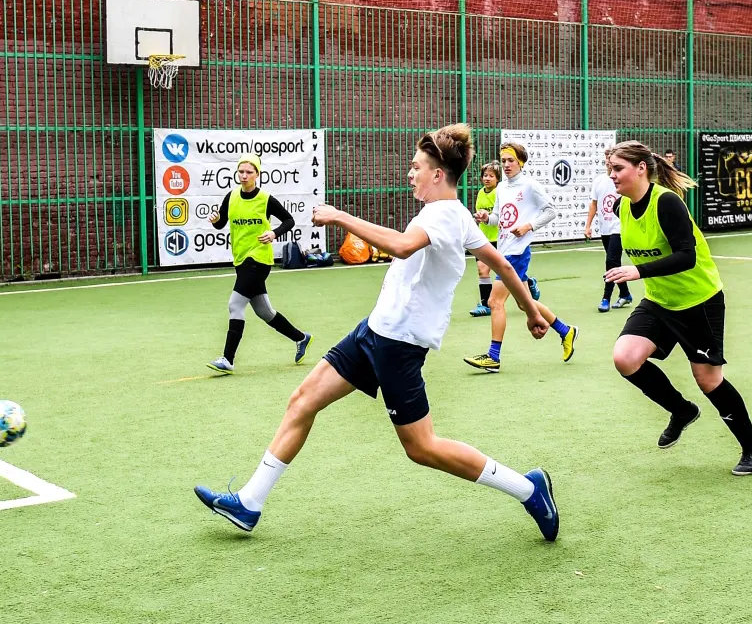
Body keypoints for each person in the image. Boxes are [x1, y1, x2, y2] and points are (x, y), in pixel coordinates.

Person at [193, 124, 560, 541]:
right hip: (373, 331)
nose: (410, 173)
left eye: (416, 166)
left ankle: (529, 490)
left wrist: (339, 216)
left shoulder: (443, 214)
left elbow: (403, 246)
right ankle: (250, 503)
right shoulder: (453, 214)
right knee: (303, 400)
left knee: (422, 447)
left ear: (438, 173)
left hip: (399, 344)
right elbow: (504, 266)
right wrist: (531, 311)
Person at [606, 142, 752, 475]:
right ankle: (681, 411)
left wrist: (637, 271)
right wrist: (617, 265)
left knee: (708, 379)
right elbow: (624, 243)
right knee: (625, 358)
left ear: (641, 168)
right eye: (610, 168)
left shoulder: (667, 202)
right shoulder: (622, 205)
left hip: (699, 301)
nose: (612, 175)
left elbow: (687, 255)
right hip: (659, 301)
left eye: (618, 168)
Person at [464, 143, 578, 373]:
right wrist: (487, 218)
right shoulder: (502, 188)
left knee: (494, 302)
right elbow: (499, 218)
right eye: (503, 160)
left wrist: (528, 226)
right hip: (504, 250)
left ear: (521, 162)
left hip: (517, 252)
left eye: (510, 161)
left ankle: (493, 357)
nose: (506, 165)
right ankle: (566, 331)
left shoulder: (530, 186)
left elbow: (551, 210)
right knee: (523, 302)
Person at [206, 153, 312, 375]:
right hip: (241, 259)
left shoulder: (265, 199)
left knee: (235, 305)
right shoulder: (231, 196)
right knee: (265, 312)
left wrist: (274, 234)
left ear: (257, 174)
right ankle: (301, 338)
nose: (244, 175)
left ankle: (228, 359)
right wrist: (216, 220)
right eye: (241, 171)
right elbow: (221, 224)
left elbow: (289, 220)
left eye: (249, 172)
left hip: (260, 260)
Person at [584, 149, 632, 312]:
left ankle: (606, 298)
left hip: (619, 228)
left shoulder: (622, 180)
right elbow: (594, 204)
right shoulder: (599, 181)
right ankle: (625, 294)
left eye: (610, 158)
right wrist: (588, 226)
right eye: (606, 158)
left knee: (611, 261)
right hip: (605, 229)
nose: (608, 161)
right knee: (615, 264)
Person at [469, 161, 501, 317]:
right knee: (482, 270)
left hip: (499, 239)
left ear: (497, 179)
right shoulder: (481, 193)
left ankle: (529, 283)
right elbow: (479, 212)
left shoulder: (499, 194)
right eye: (485, 175)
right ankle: (486, 304)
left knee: (506, 272)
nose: (487, 178)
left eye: (491, 176)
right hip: (482, 239)